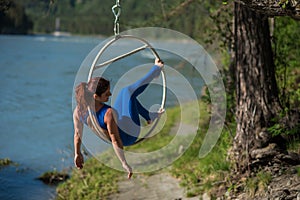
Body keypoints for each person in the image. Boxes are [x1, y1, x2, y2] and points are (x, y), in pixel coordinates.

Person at [73, 58, 165, 179]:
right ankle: (155, 70)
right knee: (129, 93)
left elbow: (77, 134)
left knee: (125, 93)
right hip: (128, 135)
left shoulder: (79, 111)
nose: (110, 95)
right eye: (106, 94)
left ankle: (149, 116)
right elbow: (115, 140)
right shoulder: (108, 114)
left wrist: (77, 153)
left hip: (120, 124)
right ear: (96, 96)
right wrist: (124, 163)